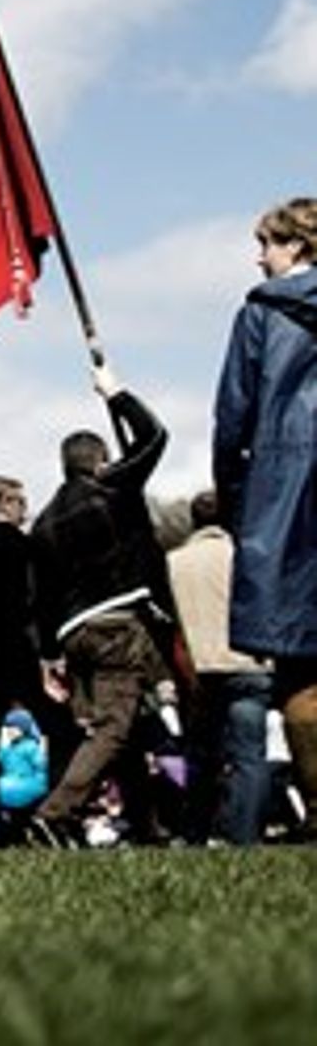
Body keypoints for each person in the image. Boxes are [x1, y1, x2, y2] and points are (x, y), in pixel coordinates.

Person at [26, 374, 176, 847]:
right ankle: (55, 812)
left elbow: (41, 596)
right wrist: (117, 393)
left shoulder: (44, 521)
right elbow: (155, 437)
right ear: (101, 462)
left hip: (73, 633)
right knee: (114, 728)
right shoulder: (113, 489)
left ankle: (145, 826)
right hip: (116, 622)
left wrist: (49, 654)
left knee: (121, 726)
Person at [213, 197, 317, 817]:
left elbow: (233, 420)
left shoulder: (259, 316)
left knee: (301, 661)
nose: (259, 257)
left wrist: (236, 503)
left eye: (268, 245)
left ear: (299, 247)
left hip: (286, 492)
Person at [0, 474, 71, 845]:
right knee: (59, 728)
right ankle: (54, 815)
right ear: (4, 504)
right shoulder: (23, 547)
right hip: (18, 652)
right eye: (20, 501)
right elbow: (38, 602)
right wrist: (50, 654)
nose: (25, 509)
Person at [165, 488, 272, 846]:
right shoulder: (249, 557)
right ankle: (244, 837)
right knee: (249, 757)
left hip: (199, 669)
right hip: (248, 664)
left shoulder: (174, 562)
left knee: (201, 758)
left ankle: (195, 832)